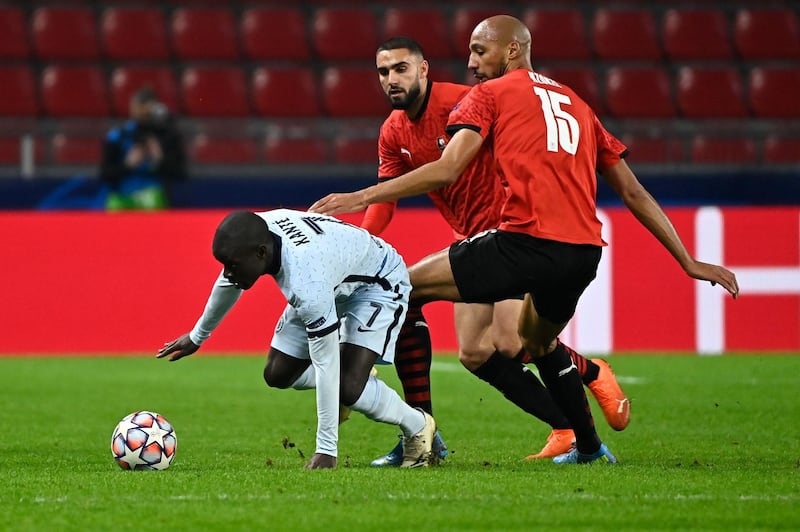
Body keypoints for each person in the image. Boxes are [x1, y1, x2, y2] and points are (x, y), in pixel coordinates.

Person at [310, 15, 739, 464]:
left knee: (409, 292)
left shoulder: (483, 96)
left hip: (517, 237)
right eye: (383, 71)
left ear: (512, 51)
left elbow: (448, 168)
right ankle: (587, 443)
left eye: (479, 51)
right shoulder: (575, 102)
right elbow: (632, 191)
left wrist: (357, 196)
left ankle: (421, 436)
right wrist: (689, 261)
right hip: (582, 251)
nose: (471, 63)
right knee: (507, 348)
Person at [364, 37, 629, 467]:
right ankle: (568, 422)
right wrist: (363, 244)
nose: (392, 79)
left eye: (400, 69)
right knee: (475, 353)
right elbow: (385, 203)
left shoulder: (467, 99)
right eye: (383, 72)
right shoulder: (394, 131)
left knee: (509, 340)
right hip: (473, 236)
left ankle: (588, 385)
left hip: (513, 231)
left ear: (423, 69)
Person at [157, 209, 437, 469]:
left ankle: (417, 425)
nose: (228, 273)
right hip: (334, 277)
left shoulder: (306, 282)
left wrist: (326, 450)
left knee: (347, 387)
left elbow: (326, 363)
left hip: (379, 283)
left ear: (261, 253)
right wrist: (197, 337)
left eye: (232, 265)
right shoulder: (257, 234)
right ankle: (355, 374)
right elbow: (229, 281)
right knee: (277, 374)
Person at [99, 85, 186, 210]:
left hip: (153, 199)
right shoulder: (118, 137)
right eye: (138, 107)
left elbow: (180, 174)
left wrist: (159, 160)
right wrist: (127, 165)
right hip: (122, 199)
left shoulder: (167, 137)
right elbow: (104, 174)